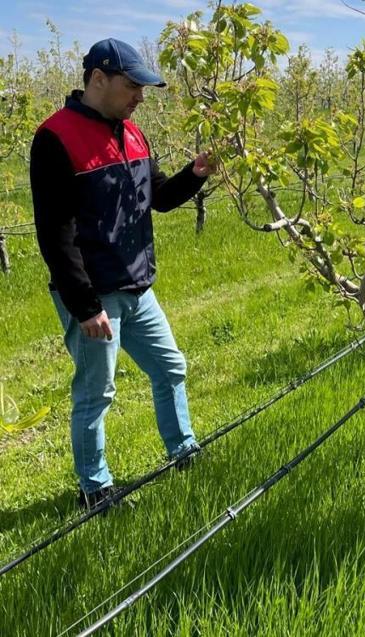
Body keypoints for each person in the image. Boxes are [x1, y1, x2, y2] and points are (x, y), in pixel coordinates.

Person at [30, 38, 216, 510]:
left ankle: (184, 450)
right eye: (132, 85)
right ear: (98, 79)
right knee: (97, 392)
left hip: (137, 285)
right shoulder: (56, 137)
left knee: (170, 367)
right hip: (96, 295)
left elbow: (159, 197)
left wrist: (194, 174)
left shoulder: (132, 133)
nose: (140, 96)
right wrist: (85, 305)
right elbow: (55, 234)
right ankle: (95, 489)